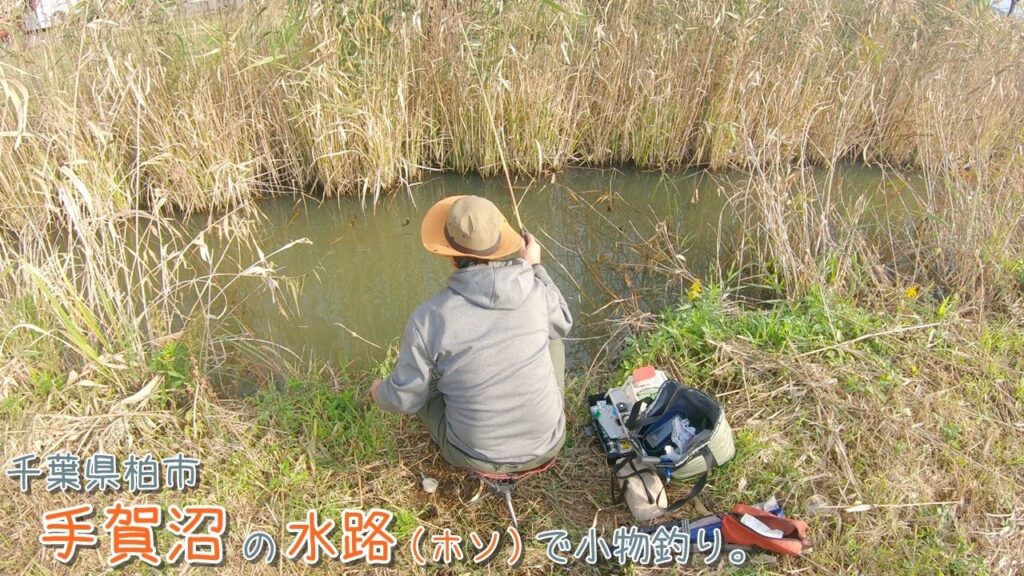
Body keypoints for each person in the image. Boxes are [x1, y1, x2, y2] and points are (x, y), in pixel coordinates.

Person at [370, 195, 572, 473]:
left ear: (451, 257)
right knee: (553, 337)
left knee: (424, 387)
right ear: (500, 243)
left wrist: (378, 392)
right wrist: (535, 267)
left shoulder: (430, 317)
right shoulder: (536, 290)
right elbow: (563, 322)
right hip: (549, 444)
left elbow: (406, 399)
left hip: (472, 456)